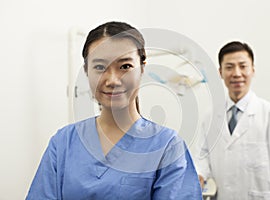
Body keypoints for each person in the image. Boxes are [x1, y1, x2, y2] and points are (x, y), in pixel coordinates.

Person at [26, 21, 202, 200]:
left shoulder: (167, 146)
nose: (112, 80)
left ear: (142, 68)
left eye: (125, 66)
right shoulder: (63, 143)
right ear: (87, 72)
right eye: (100, 67)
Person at [193, 41, 270, 199]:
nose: (236, 73)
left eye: (243, 66)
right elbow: (202, 159)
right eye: (229, 67)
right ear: (220, 72)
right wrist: (199, 175)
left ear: (253, 70)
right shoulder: (210, 118)